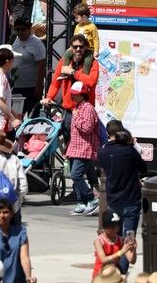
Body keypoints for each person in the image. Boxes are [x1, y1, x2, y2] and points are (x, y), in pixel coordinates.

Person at [98, 125, 146, 235]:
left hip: (113, 198)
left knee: (116, 233)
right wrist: (134, 145)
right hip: (131, 197)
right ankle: (128, 250)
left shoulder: (102, 152)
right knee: (129, 233)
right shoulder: (130, 151)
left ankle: (119, 250)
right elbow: (144, 168)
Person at [0, 198, 35, 283]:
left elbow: (24, 257)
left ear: (11, 214)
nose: (2, 215)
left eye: (5, 212)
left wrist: (28, 276)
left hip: (17, 279)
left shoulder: (20, 233)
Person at [67, 80, 101, 216]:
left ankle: (91, 199)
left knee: (76, 175)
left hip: (85, 148)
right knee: (82, 175)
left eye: (76, 94)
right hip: (76, 147)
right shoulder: (79, 107)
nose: (73, 96)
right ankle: (82, 202)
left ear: (83, 95)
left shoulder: (88, 108)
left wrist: (75, 118)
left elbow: (87, 128)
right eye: (72, 94)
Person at [10, 17, 46, 118]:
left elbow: (42, 66)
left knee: (32, 117)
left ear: (29, 28)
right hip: (16, 87)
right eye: (17, 29)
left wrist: (38, 87)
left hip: (31, 87)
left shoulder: (36, 43)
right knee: (16, 117)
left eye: (23, 29)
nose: (20, 32)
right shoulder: (15, 39)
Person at [93, 209, 136, 278]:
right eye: (112, 227)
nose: (115, 229)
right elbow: (104, 260)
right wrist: (121, 252)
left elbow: (132, 261)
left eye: (116, 227)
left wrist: (133, 249)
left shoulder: (120, 240)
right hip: (100, 276)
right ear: (105, 227)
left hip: (113, 275)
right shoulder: (99, 241)